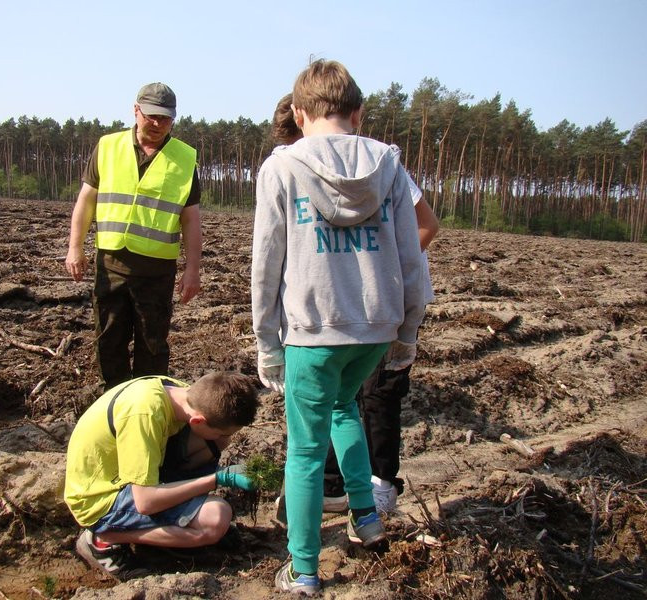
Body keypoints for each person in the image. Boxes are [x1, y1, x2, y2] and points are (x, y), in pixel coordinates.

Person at [251, 60, 424, 596]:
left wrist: (267, 342)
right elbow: (411, 256)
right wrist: (408, 330)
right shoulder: (389, 167)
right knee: (345, 407)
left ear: (300, 114)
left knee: (304, 451)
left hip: (314, 331)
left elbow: (266, 263)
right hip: (374, 329)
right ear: (357, 112)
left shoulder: (281, 168)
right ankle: (366, 519)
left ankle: (303, 570)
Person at [269, 92, 440, 517]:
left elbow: (426, 224)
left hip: (373, 305)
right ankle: (337, 492)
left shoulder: (382, 169)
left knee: (376, 397)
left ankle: (379, 486)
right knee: (338, 404)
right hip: (355, 309)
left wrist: (382, 271)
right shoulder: (295, 169)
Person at [65, 82, 202, 390]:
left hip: (156, 273)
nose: (157, 124)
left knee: (152, 348)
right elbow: (86, 200)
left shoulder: (184, 158)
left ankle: (146, 403)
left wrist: (193, 269)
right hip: (111, 266)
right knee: (108, 340)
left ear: (174, 119)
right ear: (135, 110)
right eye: (151, 116)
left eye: (165, 119)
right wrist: (76, 248)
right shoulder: (108, 147)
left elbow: (191, 219)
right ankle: (111, 402)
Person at [64, 371, 259, 579]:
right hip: (100, 498)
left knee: (212, 443)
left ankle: (176, 525)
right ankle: (104, 538)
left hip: (128, 471)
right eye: (224, 432)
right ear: (198, 421)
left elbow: (212, 438)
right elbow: (145, 502)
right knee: (215, 520)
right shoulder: (144, 416)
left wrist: (218, 441)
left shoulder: (185, 394)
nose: (227, 439)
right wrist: (217, 479)